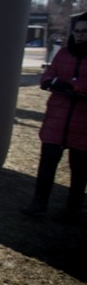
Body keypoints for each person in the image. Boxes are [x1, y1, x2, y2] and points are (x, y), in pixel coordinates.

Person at [21, 12, 87, 224]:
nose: (80, 36)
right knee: (47, 165)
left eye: (85, 32)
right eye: (77, 32)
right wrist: (52, 81)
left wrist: (72, 86)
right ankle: (39, 203)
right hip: (56, 121)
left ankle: (73, 208)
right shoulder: (64, 54)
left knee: (79, 170)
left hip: (82, 124)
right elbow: (48, 75)